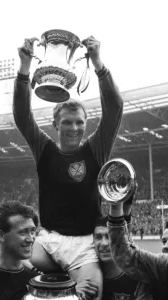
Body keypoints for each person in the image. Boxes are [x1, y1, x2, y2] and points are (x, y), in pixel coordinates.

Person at [13, 35, 124, 298]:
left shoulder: (95, 149)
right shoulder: (44, 149)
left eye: (79, 122)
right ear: (56, 125)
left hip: (84, 245)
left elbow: (115, 108)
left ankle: (66, 280)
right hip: (47, 241)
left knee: (91, 293)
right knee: (6, 268)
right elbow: (21, 115)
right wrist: (24, 67)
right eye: (67, 122)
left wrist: (97, 62)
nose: (74, 128)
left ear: (85, 124)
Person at [108, 200, 168, 300]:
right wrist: (117, 204)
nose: (166, 246)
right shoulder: (166, 266)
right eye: (164, 241)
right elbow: (125, 255)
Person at [94, 216, 152, 300]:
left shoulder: (136, 277)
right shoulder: (89, 275)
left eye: (109, 237)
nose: (104, 243)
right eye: (98, 237)